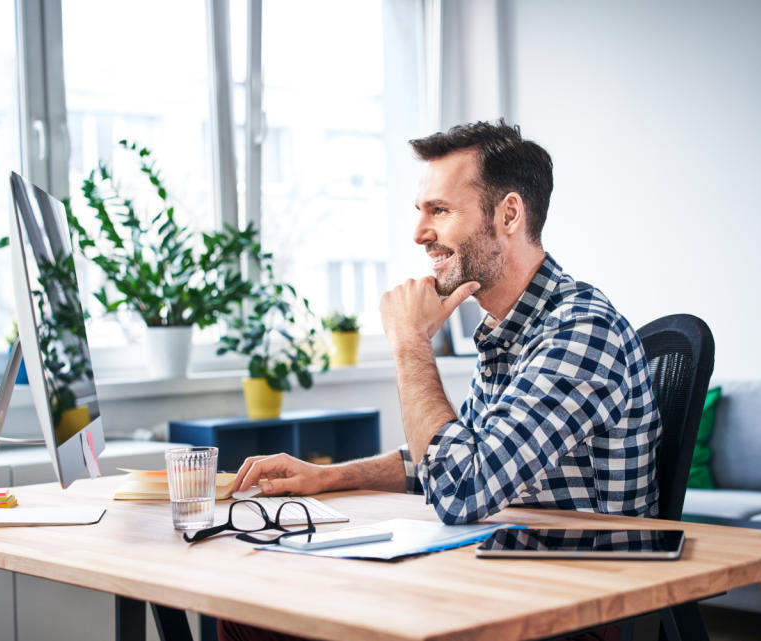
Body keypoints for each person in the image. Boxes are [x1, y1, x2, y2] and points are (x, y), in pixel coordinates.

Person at [218, 120, 659, 641]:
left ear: (509, 214)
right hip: (498, 579)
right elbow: (445, 458)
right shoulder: (509, 331)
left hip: (572, 609)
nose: (419, 233)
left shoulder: (580, 331)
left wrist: (410, 342)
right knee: (252, 613)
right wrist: (326, 478)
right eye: (421, 211)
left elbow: (461, 489)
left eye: (440, 211)